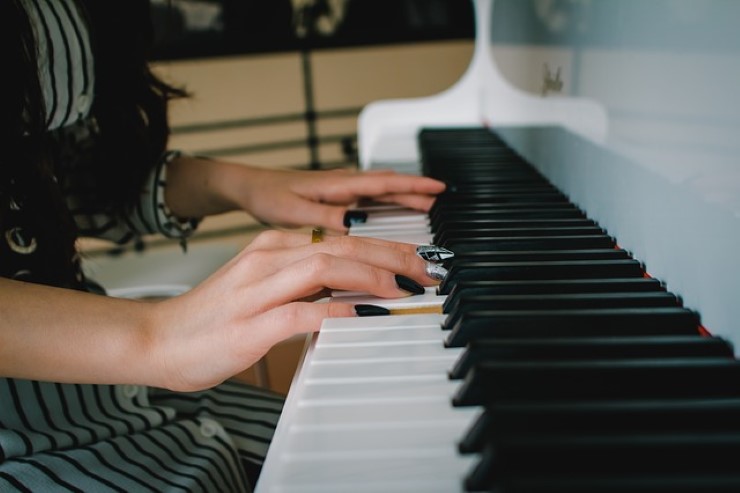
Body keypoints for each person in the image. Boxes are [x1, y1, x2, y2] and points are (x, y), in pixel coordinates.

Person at [0, 0, 448, 491]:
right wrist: (157, 336)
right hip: (37, 448)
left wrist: (239, 184)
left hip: (124, 396)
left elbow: (68, 181)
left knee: (397, 452)